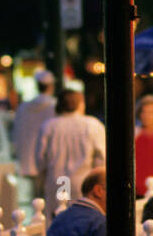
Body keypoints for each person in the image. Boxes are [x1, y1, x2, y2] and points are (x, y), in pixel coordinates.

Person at [35, 89, 106, 219]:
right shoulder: (92, 124)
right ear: (80, 104)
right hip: (83, 181)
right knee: (83, 218)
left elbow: (40, 158)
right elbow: (101, 157)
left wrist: (43, 176)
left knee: (57, 219)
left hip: (56, 180)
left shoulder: (49, 125)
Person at [13, 69, 56, 196]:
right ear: (51, 86)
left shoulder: (24, 107)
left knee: (36, 197)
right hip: (50, 160)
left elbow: (17, 133)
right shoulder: (55, 106)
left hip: (30, 159)